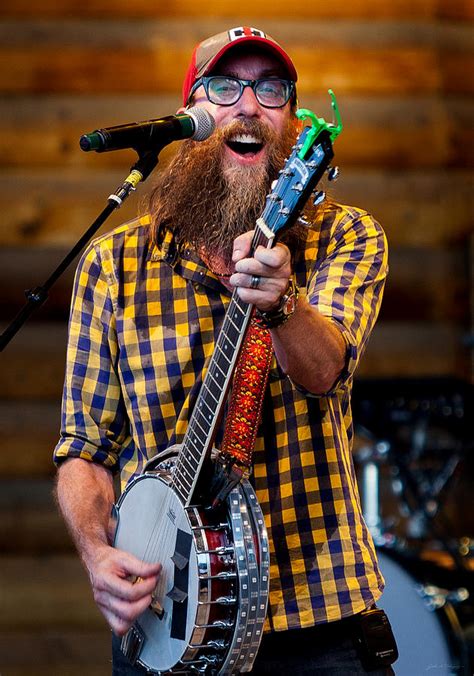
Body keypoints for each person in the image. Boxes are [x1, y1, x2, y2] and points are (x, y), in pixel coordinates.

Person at [54, 26, 393, 675]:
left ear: (295, 126)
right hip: (165, 624)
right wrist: (99, 555)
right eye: (225, 85)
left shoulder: (345, 236)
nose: (248, 104)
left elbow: (327, 370)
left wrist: (283, 303)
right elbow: (84, 449)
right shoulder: (115, 265)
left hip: (316, 626)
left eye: (272, 89)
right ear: (193, 115)